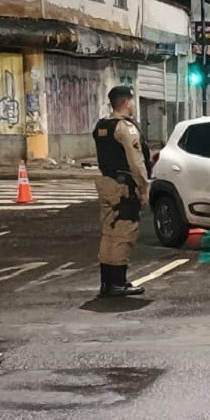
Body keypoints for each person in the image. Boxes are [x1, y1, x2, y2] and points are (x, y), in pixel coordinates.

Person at [92, 85, 150, 298]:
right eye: (132, 101)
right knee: (124, 232)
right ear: (126, 103)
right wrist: (144, 187)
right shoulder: (125, 128)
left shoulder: (101, 126)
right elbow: (136, 163)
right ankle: (118, 282)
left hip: (106, 182)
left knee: (109, 231)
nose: (133, 105)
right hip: (123, 185)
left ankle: (106, 282)